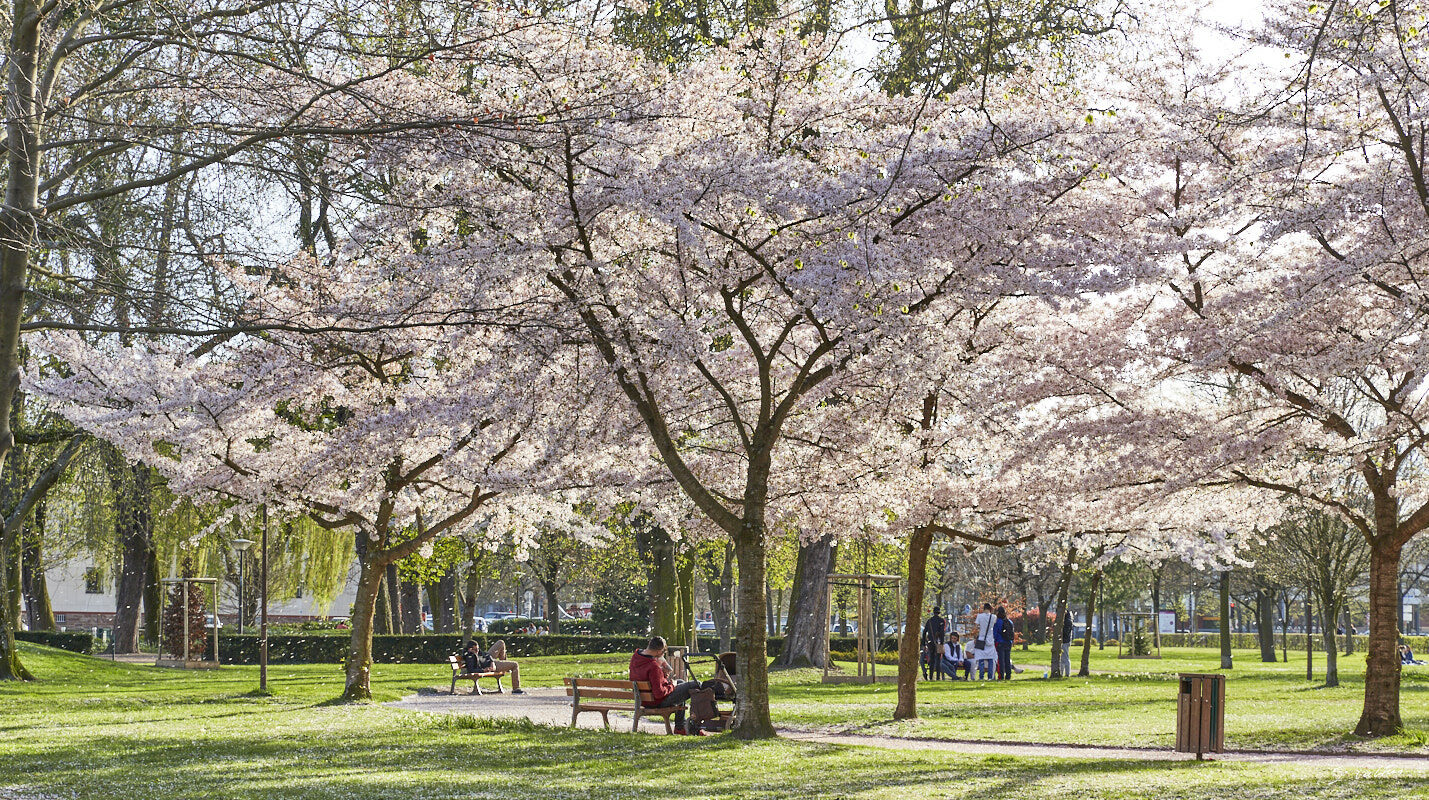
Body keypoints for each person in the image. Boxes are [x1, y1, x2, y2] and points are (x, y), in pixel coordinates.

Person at [629, 635, 706, 735]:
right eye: (662, 653)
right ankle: (695, 726)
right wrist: (672, 685)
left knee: (681, 682)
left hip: (643, 699)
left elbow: (646, 677)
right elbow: (659, 694)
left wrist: (662, 676)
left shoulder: (636, 657)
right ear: (658, 651)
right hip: (656, 702)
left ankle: (680, 727)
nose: (662, 655)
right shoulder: (653, 666)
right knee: (696, 684)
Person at [973, 603, 998, 680]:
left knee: (981, 658)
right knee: (990, 658)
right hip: (990, 639)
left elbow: (976, 628)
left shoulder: (979, 616)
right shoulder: (994, 617)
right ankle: (990, 676)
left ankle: (981, 676)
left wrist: (975, 637)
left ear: (983, 608)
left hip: (981, 639)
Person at [993, 606, 1015, 680]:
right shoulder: (1009, 622)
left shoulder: (998, 621)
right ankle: (1008, 675)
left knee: (1001, 660)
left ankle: (1001, 676)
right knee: (1007, 660)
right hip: (1008, 642)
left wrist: (994, 641)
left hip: (1000, 642)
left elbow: (995, 633)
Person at [1058, 613, 1073, 677]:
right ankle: (1062, 672)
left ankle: (1067, 673)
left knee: (1065, 658)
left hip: (1065, 641)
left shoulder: (1067, 622)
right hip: (1066, 641)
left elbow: (1065, 632)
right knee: (1063, 658)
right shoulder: (1068, 621)